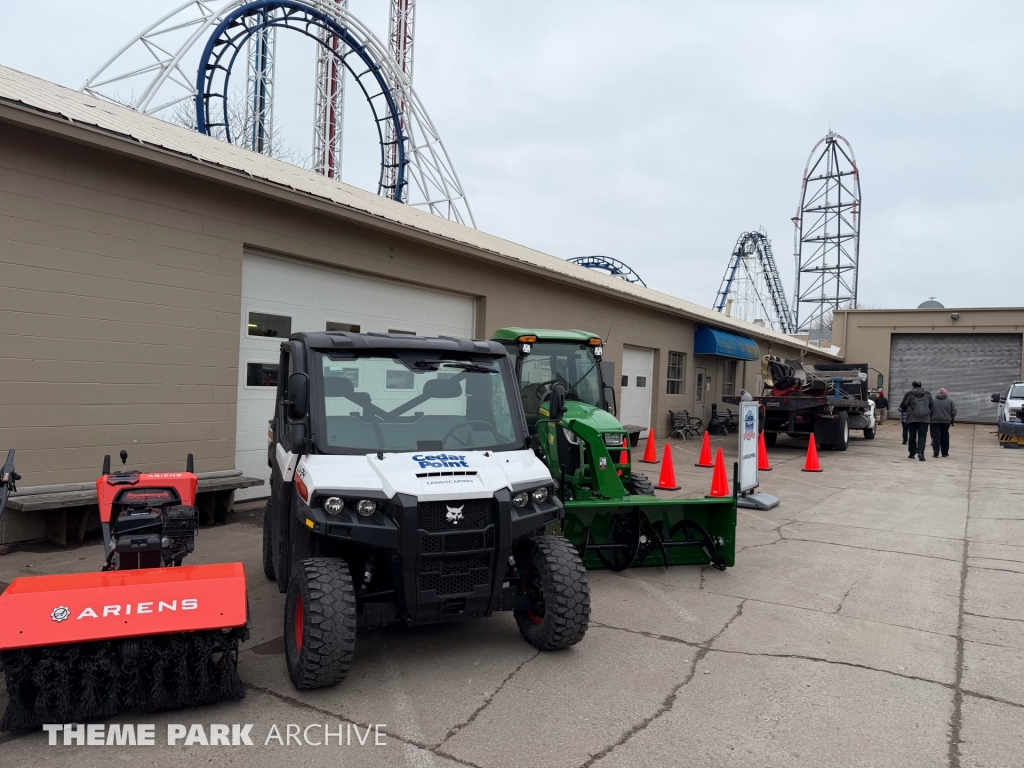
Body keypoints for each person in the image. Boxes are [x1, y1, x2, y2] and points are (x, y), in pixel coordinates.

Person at [900, 380, 933, 461]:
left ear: (913, 386)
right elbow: (932, 405)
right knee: (922, 435)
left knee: (912, 435)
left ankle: (912, 453)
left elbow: (902, 406)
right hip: (924, 419)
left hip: (912, 418)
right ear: (921, 385)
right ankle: (921, 452)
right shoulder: (927, 394)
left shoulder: (909, 394)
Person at [930, 388, 956, 458]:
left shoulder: (933, 401)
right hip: (946, 421)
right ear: (946, 394)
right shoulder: (950, 401)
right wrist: (950, 417)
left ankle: (936, 453)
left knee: (936, 437)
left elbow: (930, 410)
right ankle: (944, 453)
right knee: (945, 436)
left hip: (935, 421)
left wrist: (931, 417)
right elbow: (954, 411)